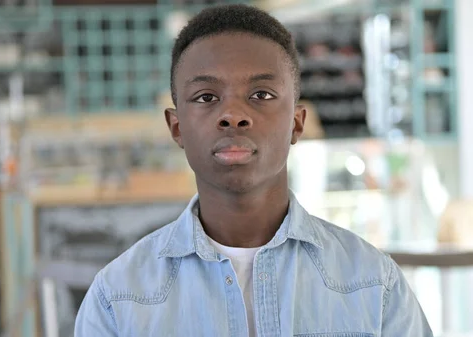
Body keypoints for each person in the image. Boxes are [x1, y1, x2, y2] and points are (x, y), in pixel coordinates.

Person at [75, 4, 433, 336]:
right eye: (206, 97)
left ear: (296, 123)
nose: (233, 114)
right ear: (177, 127)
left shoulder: (374, 286)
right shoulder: (118, 300)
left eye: (261, 94)